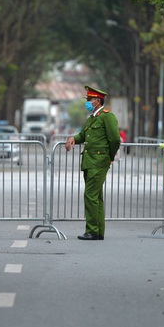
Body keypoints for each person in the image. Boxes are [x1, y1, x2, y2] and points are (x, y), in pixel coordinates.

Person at [65, 85, 120, 240]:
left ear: (97, 100)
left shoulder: (107, 116)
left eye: (89, 99)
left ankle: (92, 230)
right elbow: (83, 135)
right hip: (89, 161)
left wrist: (109, 156)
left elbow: (115, 139)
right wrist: (72, 138)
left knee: (90, 195)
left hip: (99, 162)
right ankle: (98, 231)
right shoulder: (92, 118)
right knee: (96, 197)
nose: (87, 102)